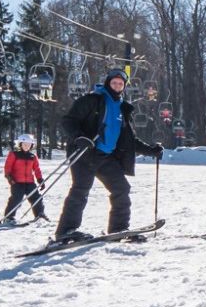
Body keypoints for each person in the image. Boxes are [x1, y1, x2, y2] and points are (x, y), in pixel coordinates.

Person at [52, 69, 163, 243]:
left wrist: (151, 150)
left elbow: (129, 140)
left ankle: (118, 228)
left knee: (121, 189)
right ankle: (65, 231)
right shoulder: (92, 100)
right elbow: (69, 120)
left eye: (120, 83)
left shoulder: (122, 108)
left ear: (124, 87)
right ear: (107, 83)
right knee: (81, 190)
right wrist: (79, 137)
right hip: (85, 153)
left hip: (106, 157)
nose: (117, 85)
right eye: (114, 82)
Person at [3, 134, 49, 221]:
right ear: (20, 144)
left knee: (36, 198)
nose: (26, 146)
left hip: (30, 182)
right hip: (17, 182)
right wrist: (9, 177)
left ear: (31, 145)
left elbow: (37, 169)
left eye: (28, 145)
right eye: (24, 144)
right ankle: (9, 217)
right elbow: (7, 167)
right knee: (16, 199)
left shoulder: (32, 156)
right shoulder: (14, 154)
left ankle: (40, 214)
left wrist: (40, 179)